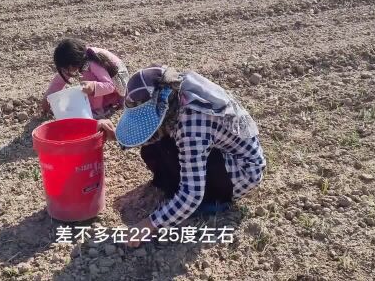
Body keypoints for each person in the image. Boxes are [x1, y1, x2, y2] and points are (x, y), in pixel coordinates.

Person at [97, 65, 267, 248]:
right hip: (218, 149)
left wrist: (147, 225)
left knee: (176, 167)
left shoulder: (192, 125)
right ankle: (178, 192)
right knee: (155, 148)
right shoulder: (171, 90)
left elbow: (191, 194)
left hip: (241, 171)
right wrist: (118, 136)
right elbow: (151, 131)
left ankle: (214, 201)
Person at [41, 37, 129, 119]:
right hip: (108, 84)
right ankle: (104, 101)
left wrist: (93, 86)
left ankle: (97, 110)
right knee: (87, 82)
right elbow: (59, 81)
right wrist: (47, 97)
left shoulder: (92, 63)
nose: (66, 72)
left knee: (88, 80)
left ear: (73, 64)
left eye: (67, 68)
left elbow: (110, 85)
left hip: (118, 84)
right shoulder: (78, 60)